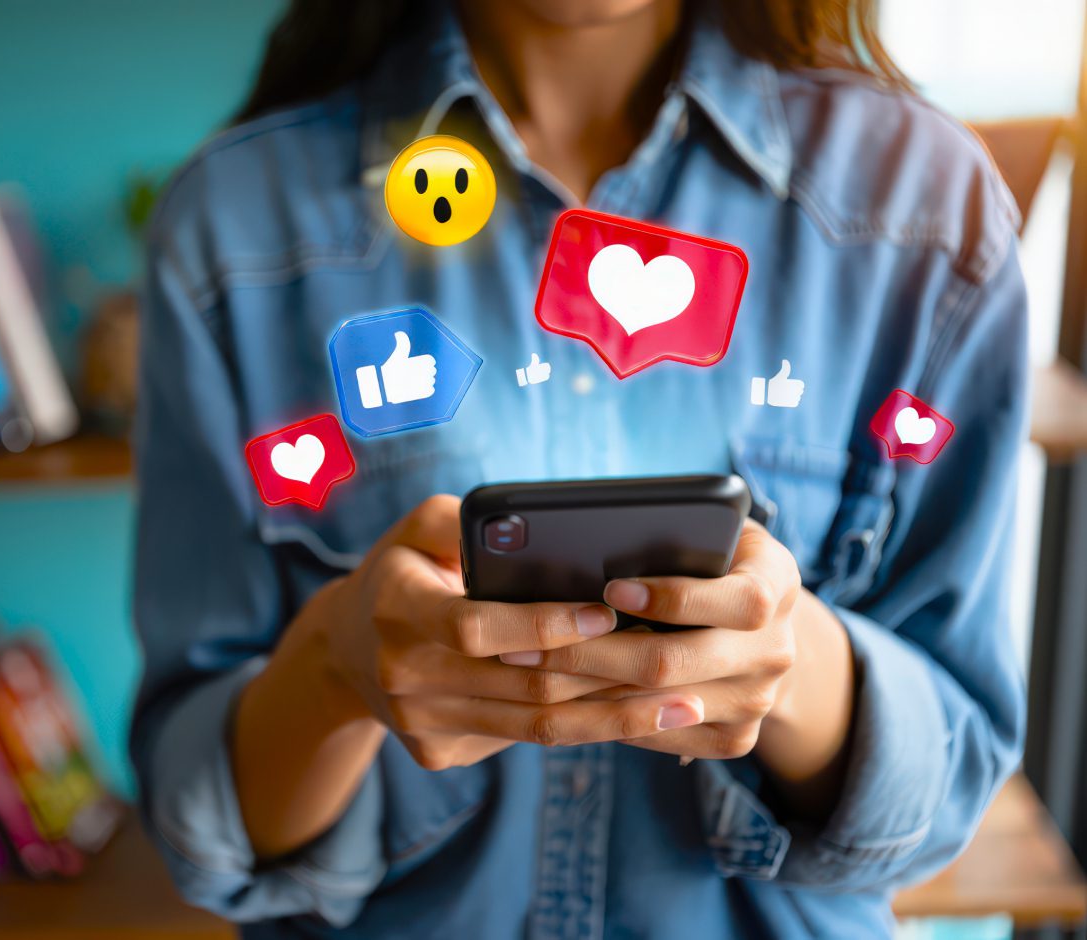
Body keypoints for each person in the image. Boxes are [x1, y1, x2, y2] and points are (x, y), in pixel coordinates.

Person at [130, 0, 1027, 936]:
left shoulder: (924, 206)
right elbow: (201, 822)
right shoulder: (237, 228)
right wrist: (332, 666)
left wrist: (790, 662)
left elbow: (953, 787)